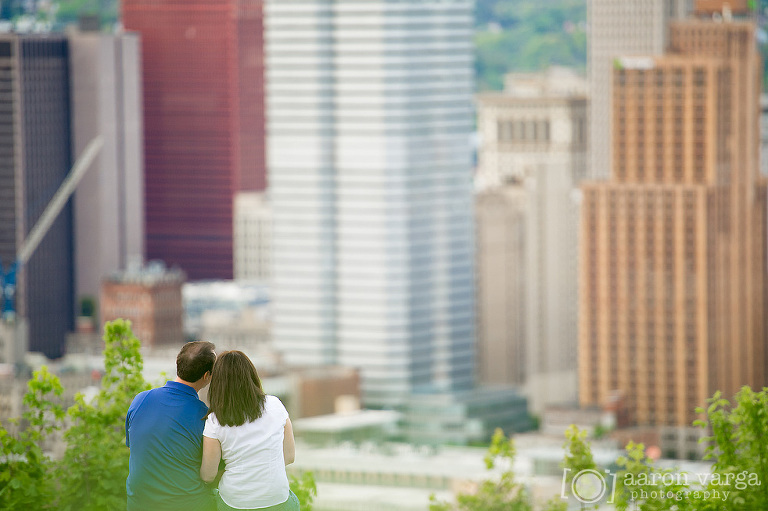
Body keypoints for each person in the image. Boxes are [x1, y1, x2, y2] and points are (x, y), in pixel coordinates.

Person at [200, 350, 299, 511]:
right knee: (291, 499)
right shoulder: (275, 405)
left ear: (218, 383)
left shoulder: (214, 420)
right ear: (251, 376)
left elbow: (208, 475)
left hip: (235, 502)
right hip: (277, 499)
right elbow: (289, 456)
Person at [126, 341, 217, 511]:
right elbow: (210, 472)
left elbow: (136, 448)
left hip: (139, 504)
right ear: (206, 376)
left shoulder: (140, 400)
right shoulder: (204, 417)